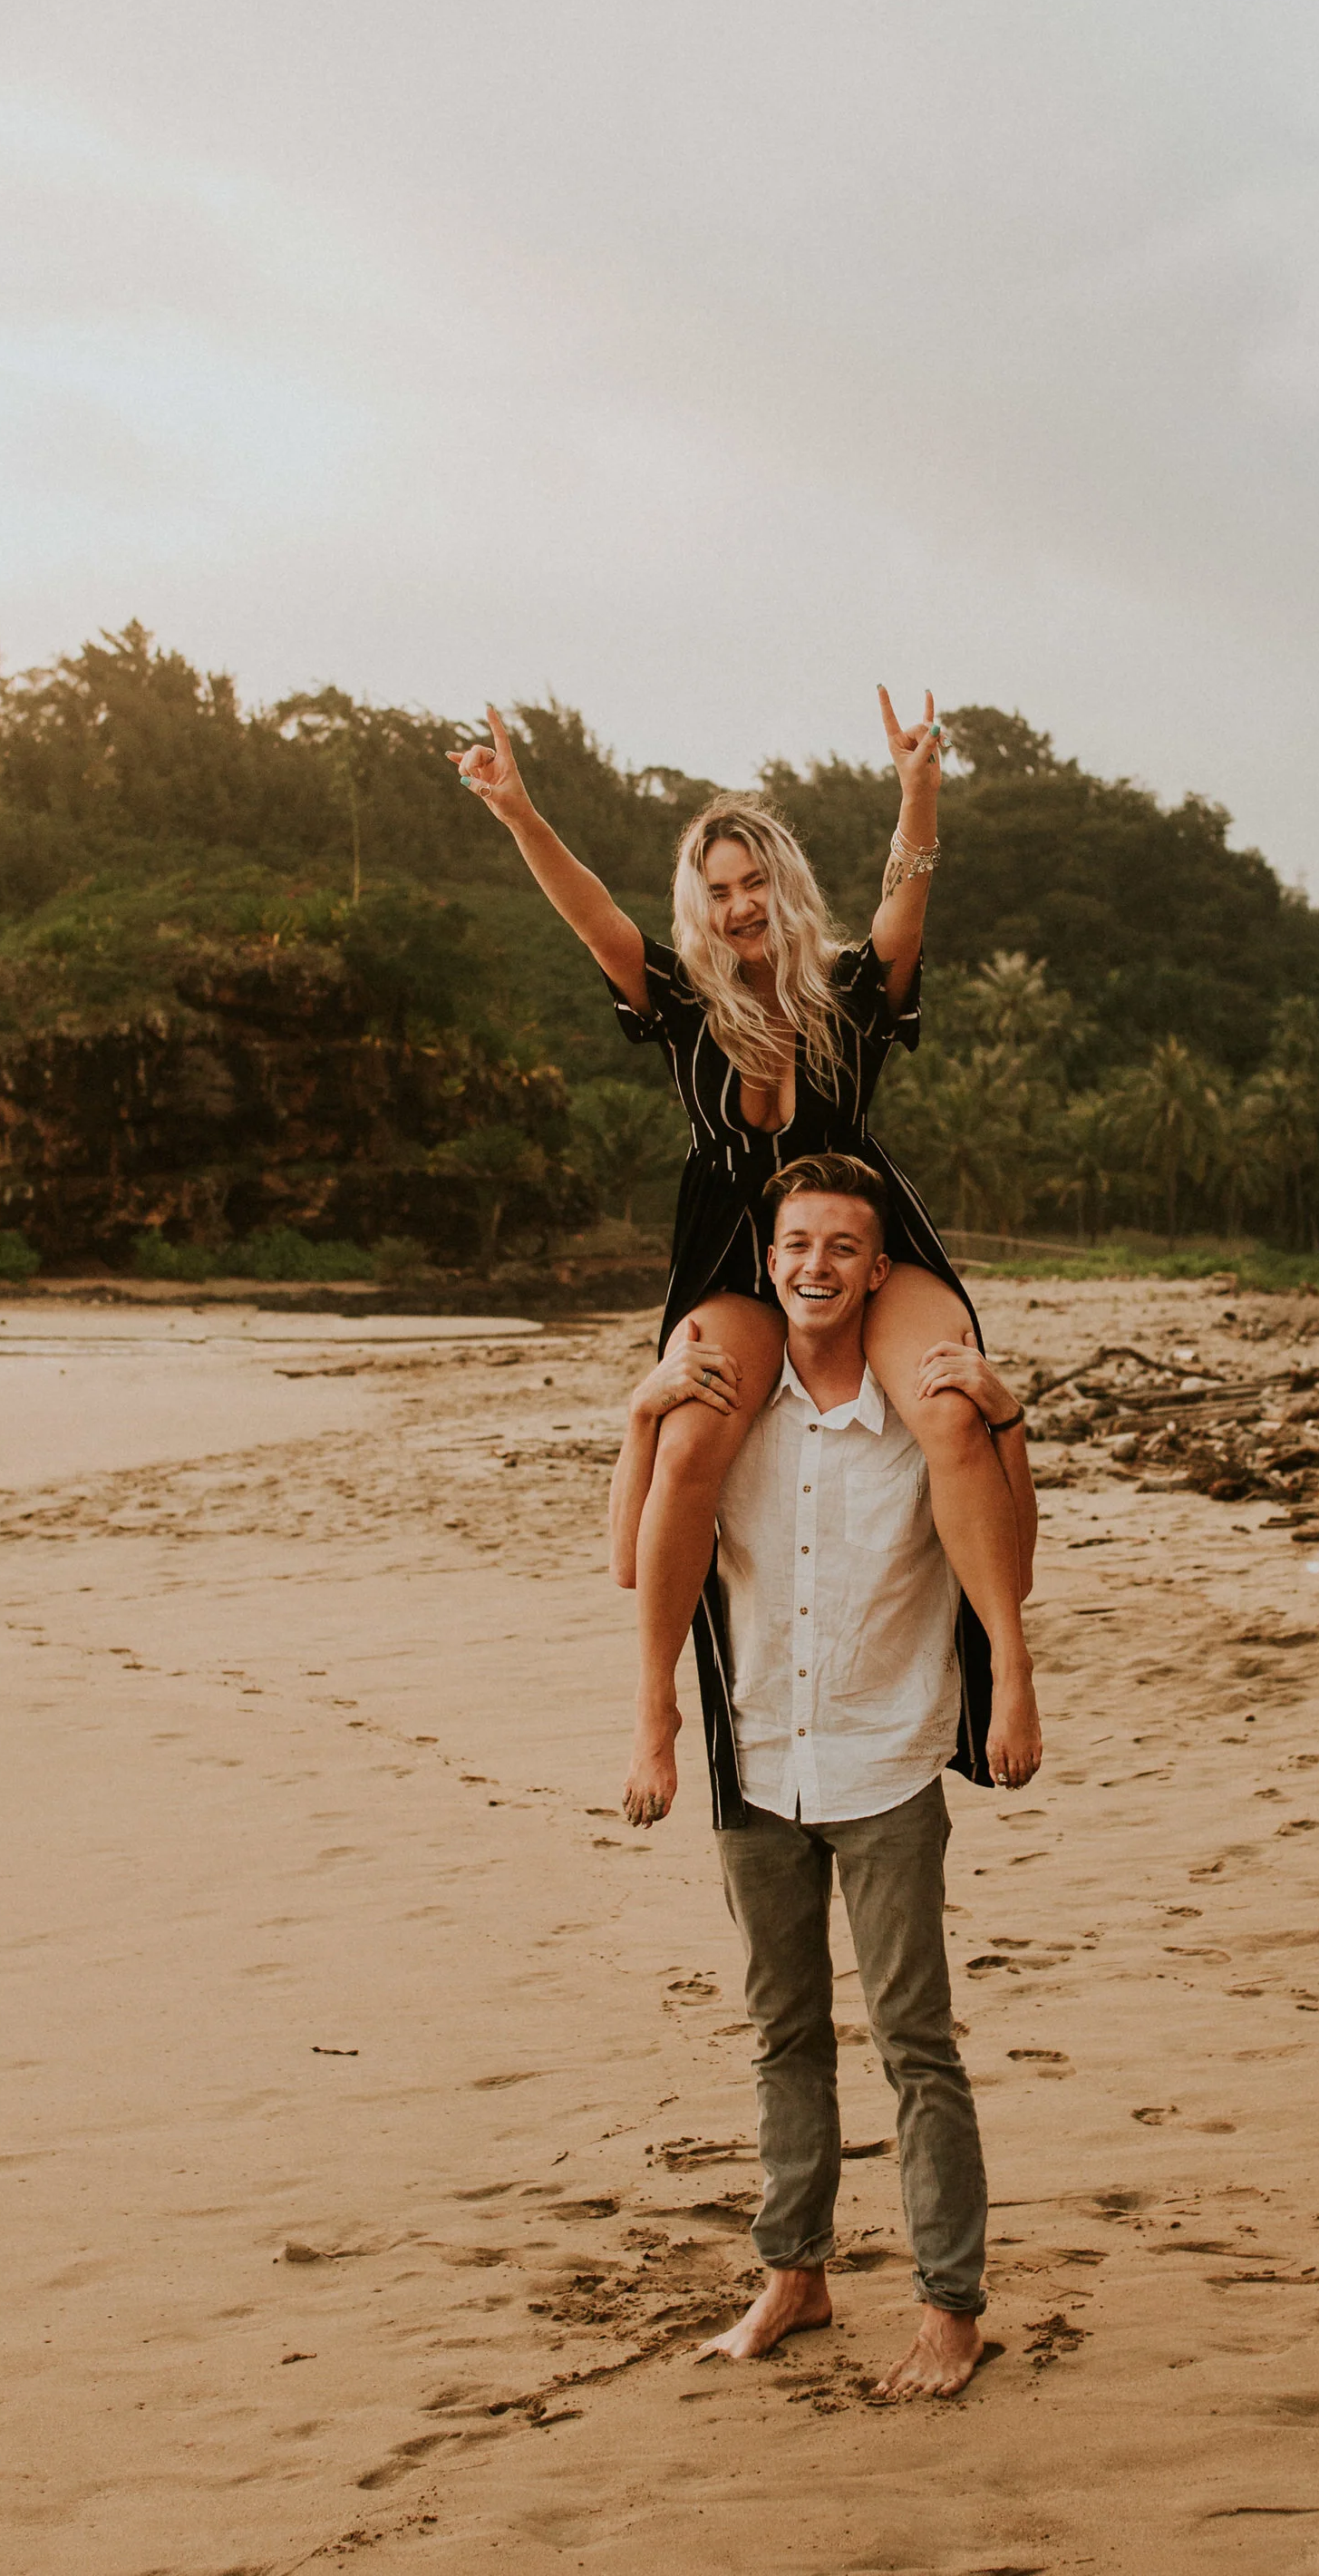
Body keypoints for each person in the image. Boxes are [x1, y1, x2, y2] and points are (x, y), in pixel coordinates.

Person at [451, 688, 1041, 1824]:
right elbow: (592, 922)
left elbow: (906, 904)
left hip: (859, 1222)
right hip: (731, 1240)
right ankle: (654, 1709)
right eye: (716, 891)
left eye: (753, 881)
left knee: (953, 1406)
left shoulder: (856, 993)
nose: (736, 906)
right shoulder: (678, 1002)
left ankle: (1009, 1667)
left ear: (785, 884)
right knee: (688, 1446)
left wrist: (919, 792)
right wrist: (521, 813)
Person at [606, 1152, 1030, 2397]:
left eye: (843, 1247)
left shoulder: (922, 1417)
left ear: (879, 1267)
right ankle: (794, 2271)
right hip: (760, 1762)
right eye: (797, 1245)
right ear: (770, 1259)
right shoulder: (730, 1407)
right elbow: (632, 1562)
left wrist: (1006, 1418)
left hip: (886, 1760)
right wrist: (642, 1412)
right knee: (783, 2034)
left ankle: (951, 2308)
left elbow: (1017, 1553)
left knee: (915, 2046)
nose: (816, 1268)